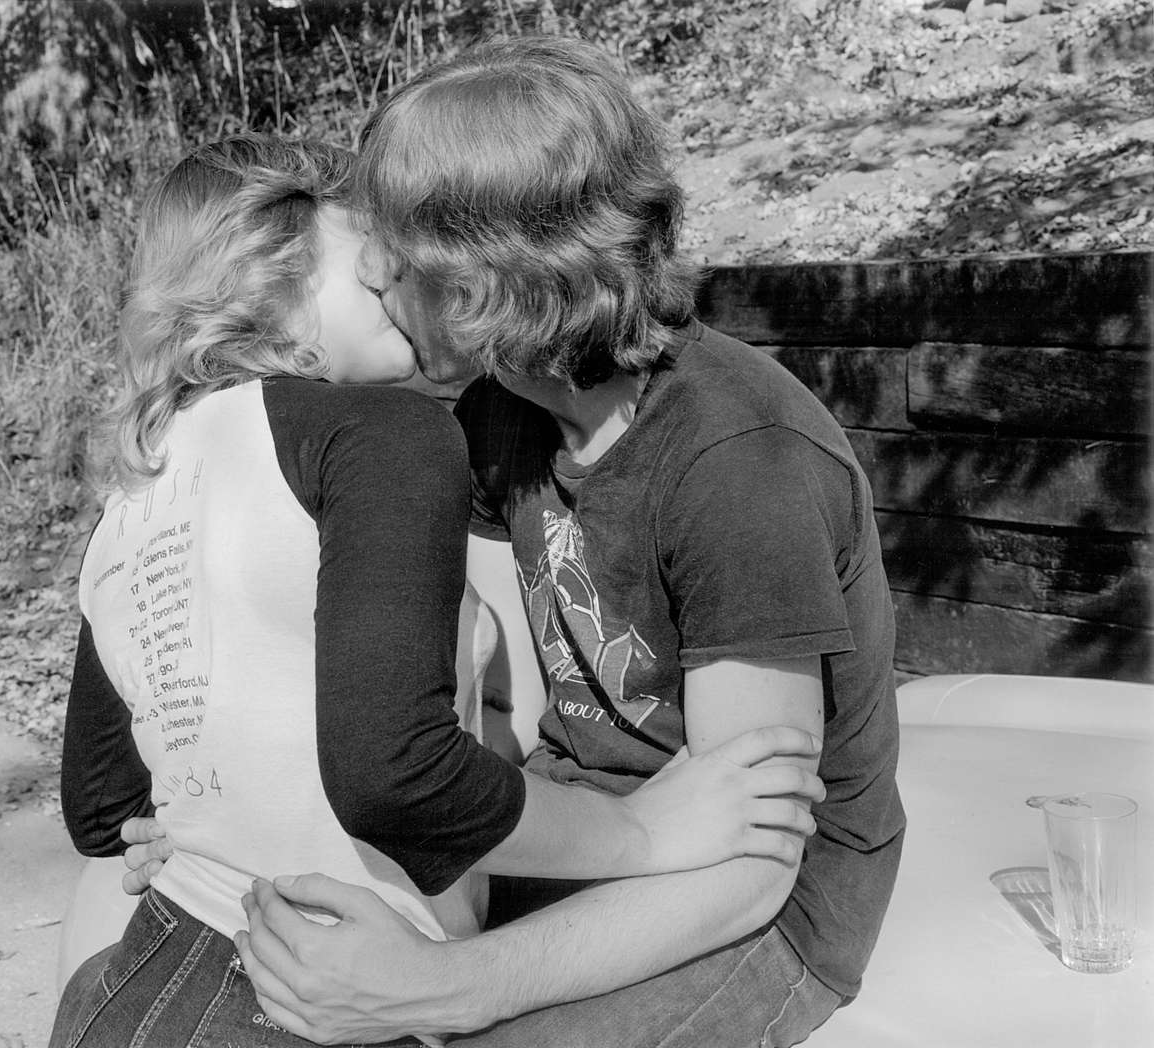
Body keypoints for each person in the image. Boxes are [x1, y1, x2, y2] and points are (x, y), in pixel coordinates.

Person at [49, 133, 828, 1048]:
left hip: (142, 982)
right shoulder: (379, 434)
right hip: (302, 987)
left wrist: (200, 814)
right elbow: (396, 775)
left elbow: (102, 805)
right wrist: (642, 836)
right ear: (275, 265)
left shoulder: (136, 493)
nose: (396, 272)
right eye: (369, 251)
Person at [207, 36, 907, 1048]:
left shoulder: (740, 462)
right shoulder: (494, 417)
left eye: (394, 248)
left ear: (494, 280)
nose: (367, 268)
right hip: (596, 817)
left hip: (774, 900)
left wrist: (449, 988)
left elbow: (752, 862)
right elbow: (498, 707)